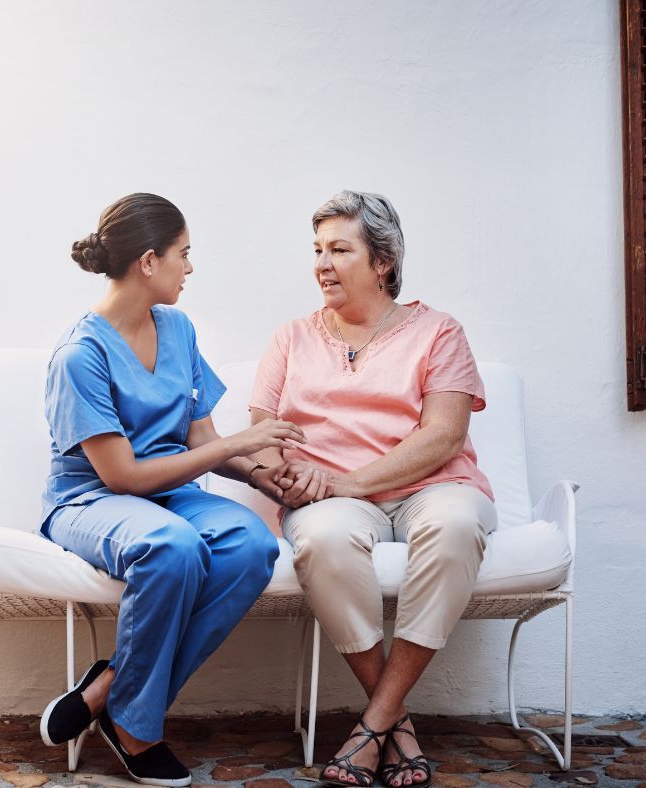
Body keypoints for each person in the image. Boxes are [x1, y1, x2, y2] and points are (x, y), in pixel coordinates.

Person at [38, 193, 305, 787]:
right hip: (93, 501)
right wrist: (238, 445)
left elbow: (201, 436)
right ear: (149, 262)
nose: (191, 268)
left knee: (249, 545)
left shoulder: (178, 329)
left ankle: (111, 689)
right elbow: (122, 477)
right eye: (185, 254)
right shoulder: (80, 355)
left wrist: (260, 473)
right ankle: (136, 728)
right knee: (172, 546)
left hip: (171, 494)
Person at [249, 191, 497, 788]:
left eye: (339, 249)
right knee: (326, 541)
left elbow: (444, 435)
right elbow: (260, 434)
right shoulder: (291, 337)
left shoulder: (439, 331)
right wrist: (291, 476)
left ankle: (374, 722)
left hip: (431, 486)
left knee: (458, 523)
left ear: (382, 261)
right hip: (326, 499)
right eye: (317, 250)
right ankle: (396, 724)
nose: (322, 264)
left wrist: (352, 480)